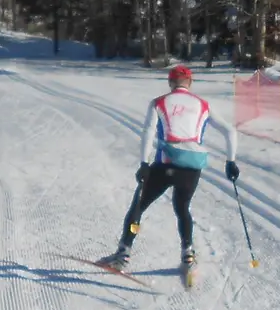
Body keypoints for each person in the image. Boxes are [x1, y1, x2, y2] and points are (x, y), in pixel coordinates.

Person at [98, 64, 238, 270]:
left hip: (165, 166)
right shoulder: (203, 105)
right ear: (190, 82)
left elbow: (148, 131)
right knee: (182, 209)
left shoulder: (159, 103)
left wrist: (144, 163)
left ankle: (124, 252)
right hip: (191, 167)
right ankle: (188, 254)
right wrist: (231, 161)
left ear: (170, 82)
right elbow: (230, 131)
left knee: (139, 205)